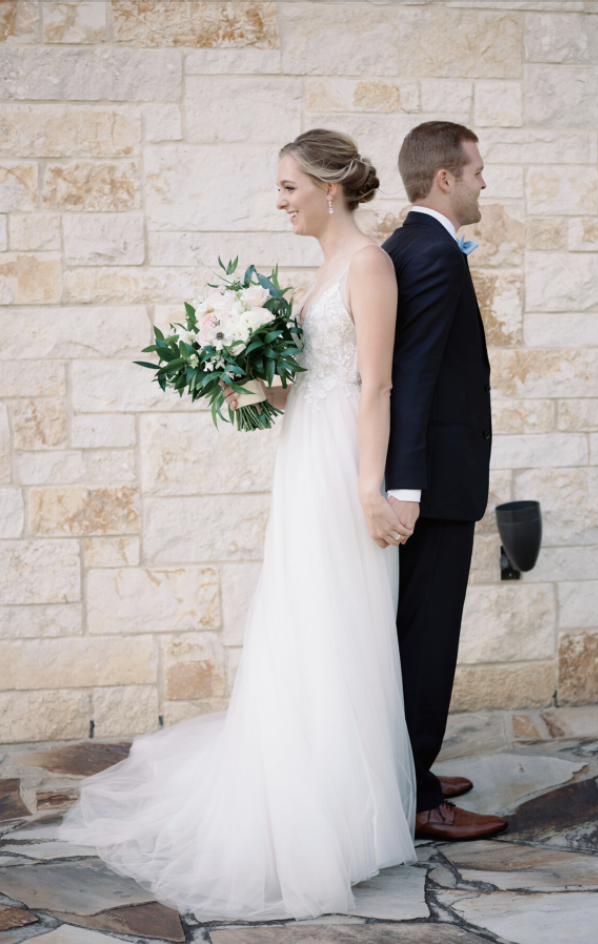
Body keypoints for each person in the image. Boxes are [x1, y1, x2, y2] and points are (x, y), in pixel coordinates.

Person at [59, 129, 418, 921]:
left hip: (339, 470)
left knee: (339, 624)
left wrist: (370, 489)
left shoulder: (368, 265)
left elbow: (377, 387)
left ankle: (340, 823)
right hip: (302, 460)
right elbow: (310, 389)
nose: (280, 200)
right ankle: (304, 810)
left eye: (289, 186)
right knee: (300, 622)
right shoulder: (318, 273)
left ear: (330, 189)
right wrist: (246, 380)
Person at [383, 121, 508, 841]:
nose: (485, 181)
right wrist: (409, 488)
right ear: (446, 179)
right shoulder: (432, 254)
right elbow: (416, 378)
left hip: (425, 481)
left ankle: (410, 770)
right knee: (427, 642)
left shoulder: (409, 245)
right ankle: (419, 797)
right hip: (429, 487)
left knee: (410, 637)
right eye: (478, 170)